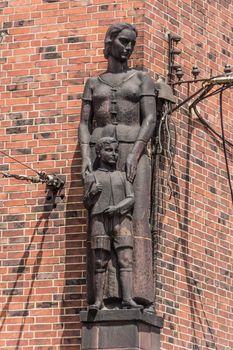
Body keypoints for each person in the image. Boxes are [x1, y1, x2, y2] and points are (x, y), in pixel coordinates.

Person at [79, 23, 156, 309]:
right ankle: (102, 297)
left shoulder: (141, 79)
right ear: (110, 42)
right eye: (124, 41)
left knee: (133, 216)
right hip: (100, 153)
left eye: (132, 43)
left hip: (132, 149)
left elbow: (149, 119)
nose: (128, 48)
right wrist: (86, 158)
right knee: (100, 220)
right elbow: (84, 124)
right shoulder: (93, 83)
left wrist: (135, 153)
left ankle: (135, 294)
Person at [84, 137, 142, 310]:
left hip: (121, 220)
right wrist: (92, 193)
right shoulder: (92, 176)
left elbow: (131, 198)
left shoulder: (122, 176)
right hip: (99, 221)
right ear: (99, 152)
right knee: (100, 261)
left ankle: (127, 298)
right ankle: (98, 301)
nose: (114, 155)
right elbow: (86, 203)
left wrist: (117, 208)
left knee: (125, 259)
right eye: (109, 150)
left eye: (116, 151)